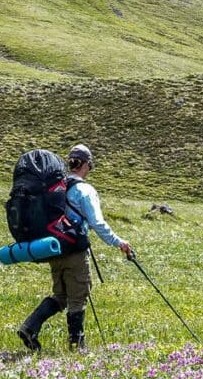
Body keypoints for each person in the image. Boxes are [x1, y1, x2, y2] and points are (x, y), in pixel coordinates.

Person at [17, 144, 133, 351]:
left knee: (60, 296)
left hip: (52, 249)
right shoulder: (84, 190)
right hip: (74, 251)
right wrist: (119, 242)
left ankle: (30, 326)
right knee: (78, 295)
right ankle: (76, 344)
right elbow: (97, 223)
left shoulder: (57, 186)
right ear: (87, 165)